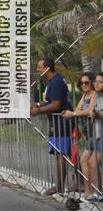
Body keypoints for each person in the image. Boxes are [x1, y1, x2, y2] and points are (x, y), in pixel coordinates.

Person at [30, 58, 73, 196]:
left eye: (40, 67)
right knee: (61, 154)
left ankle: (59, 187)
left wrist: (39, 111)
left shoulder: (56, 82)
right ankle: (79, 183)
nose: (38, 69)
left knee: (61, 154)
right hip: (56, 123)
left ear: (47, 68)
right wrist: (37, 104)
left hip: (62, 122)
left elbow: (56, 104)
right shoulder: (51, 82)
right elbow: (49, 101)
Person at [62, 72, 97, 199]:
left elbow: (90, 110)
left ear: (92, 82)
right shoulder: (85, 95)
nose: (84, 85)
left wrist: (75, 114)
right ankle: (90, 192)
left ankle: (94, 192)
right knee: (88, 162)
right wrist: (75, 113)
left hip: (96, 132)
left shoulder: (95, 95)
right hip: (88, 133)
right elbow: (77, 110)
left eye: (87, 82)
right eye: (82, 83)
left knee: (89, 162)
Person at [88, 72, 103, 201]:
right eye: (96, 81)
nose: (96, 84)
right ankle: (98, 193)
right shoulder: (97, 95)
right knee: (92, 163)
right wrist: (93, 112)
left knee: (93, 162)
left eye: (100, 82)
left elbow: (97, 112)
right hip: (99, 135)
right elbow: (91, 110)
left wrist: (96, 113)